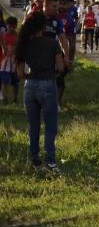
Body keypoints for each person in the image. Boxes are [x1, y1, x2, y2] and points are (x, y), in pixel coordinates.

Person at [14, 11, 66, 171]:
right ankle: (50, 161)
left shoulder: (24, 44)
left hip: (30, 87)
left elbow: (20, 73)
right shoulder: (52, 43)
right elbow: (61, 67)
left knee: (33, 125)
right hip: (47, 85)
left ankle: (34, 160)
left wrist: (30, 75)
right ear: (43, 26)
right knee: (50, 126)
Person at [0, 16, 18, 105]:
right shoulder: (3, 36)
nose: (11, 28)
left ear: (16, 26)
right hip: (4, 63)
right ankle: (4, 98)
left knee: (15, 82)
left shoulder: (18, 37)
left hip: (14, 63)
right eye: (9, 26)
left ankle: (15, 99)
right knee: (4, 80)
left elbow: (19, 48)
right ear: (6, 26)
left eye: (13, 27)